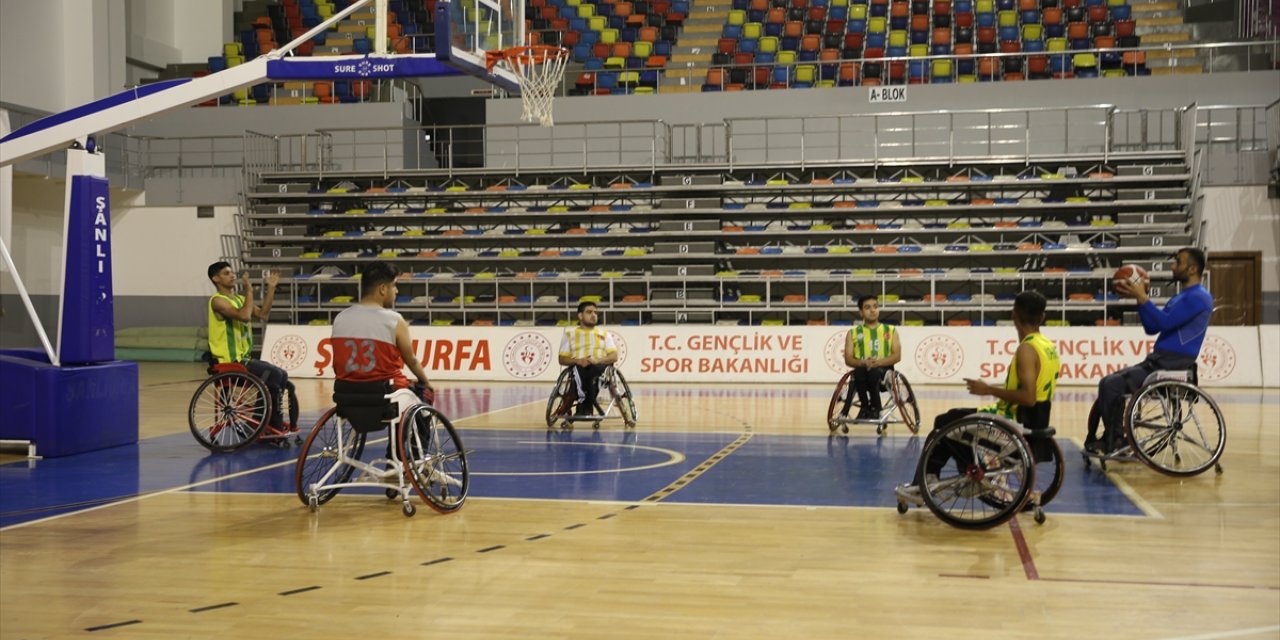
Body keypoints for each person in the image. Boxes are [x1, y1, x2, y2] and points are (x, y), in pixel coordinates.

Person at [919, 290, 1061, 481]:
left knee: (946, 422)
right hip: (1036, 419)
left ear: (1013, 314)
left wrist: (988, 389)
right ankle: (930, 477)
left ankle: (953, 476)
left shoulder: (1027, 349)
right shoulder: (1047, 346)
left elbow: (1028, 398)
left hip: (1014, 421)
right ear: (1043, 316)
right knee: (954, 416)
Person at [1086, 247, 1213, 454]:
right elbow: (1152, 328)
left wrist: (1143, 297)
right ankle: (1109, 437)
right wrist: (1140, 299)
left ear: (1192, 269)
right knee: (1107, 383)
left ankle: (1117, 439)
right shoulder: (1180, 297)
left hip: (1173, 364)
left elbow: (1165, 322)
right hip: (1160, 361)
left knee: (1111, 385)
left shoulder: (1198, 297)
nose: (1173, 266)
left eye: (1178, 262)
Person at [330, 261, 434, 420]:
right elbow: (411, 361)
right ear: (383, 289)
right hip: (384, 395)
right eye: (394, 286)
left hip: (345, 394)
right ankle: (411, 445)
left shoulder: (340, 318)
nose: (396, 291)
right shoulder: (394, 320)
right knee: (423, 394)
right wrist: (426, 383)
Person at [206, 261, 291, 431]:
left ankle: (261, 421)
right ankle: (267, 422)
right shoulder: (218, 301)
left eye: (232, 272)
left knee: (281, 374)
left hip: (243, 358)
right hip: (228, 361)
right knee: (272, 374)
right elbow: (244, 316)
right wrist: (250, 290)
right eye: (226, 273)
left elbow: (263, 314)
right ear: (216, 279)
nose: (232, 275)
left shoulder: (239, 299)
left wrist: (271, 288)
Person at [840, 294, 902, 421]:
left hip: (884, 374)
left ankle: (874, 408)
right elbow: (848, 359)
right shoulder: (853, 333)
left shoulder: (890, 330)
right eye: (867, 307)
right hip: (861, 374)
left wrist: (878, 363)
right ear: (861, 312)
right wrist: (863, 362)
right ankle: (865, 407)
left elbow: (897, 356)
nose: (873, 310)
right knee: (860, 370)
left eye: (875, 306)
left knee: (872, 371)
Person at [558, 300, 618, 418]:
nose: (594, 315)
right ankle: (583, 405)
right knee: (581, 368)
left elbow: (614, 356)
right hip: (578, 365)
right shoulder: (570, 334)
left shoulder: (605, 334)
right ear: (580, 316)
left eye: (595, 312)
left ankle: (577, 402)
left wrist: (597, 361)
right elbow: (562, 359)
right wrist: (578, 361)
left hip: (599, 366)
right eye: (589, 312)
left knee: (591, 368)